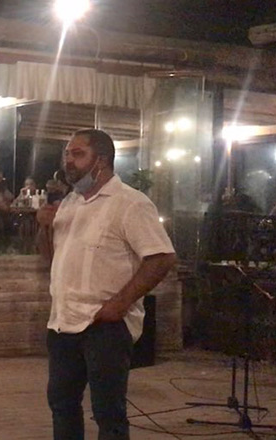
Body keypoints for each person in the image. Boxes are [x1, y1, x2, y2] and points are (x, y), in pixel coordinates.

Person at [35, 129, 176, 440]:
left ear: (101, 160)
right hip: (63, 321)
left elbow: (162, 258)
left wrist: (120, 304)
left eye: (78, 154)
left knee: (108, 412)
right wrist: (45, 227)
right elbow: (51, 258)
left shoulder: (130, 203)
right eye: (67, 154)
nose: (68, 161)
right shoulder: (71, 202)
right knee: (62, 404)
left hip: (105, 325)